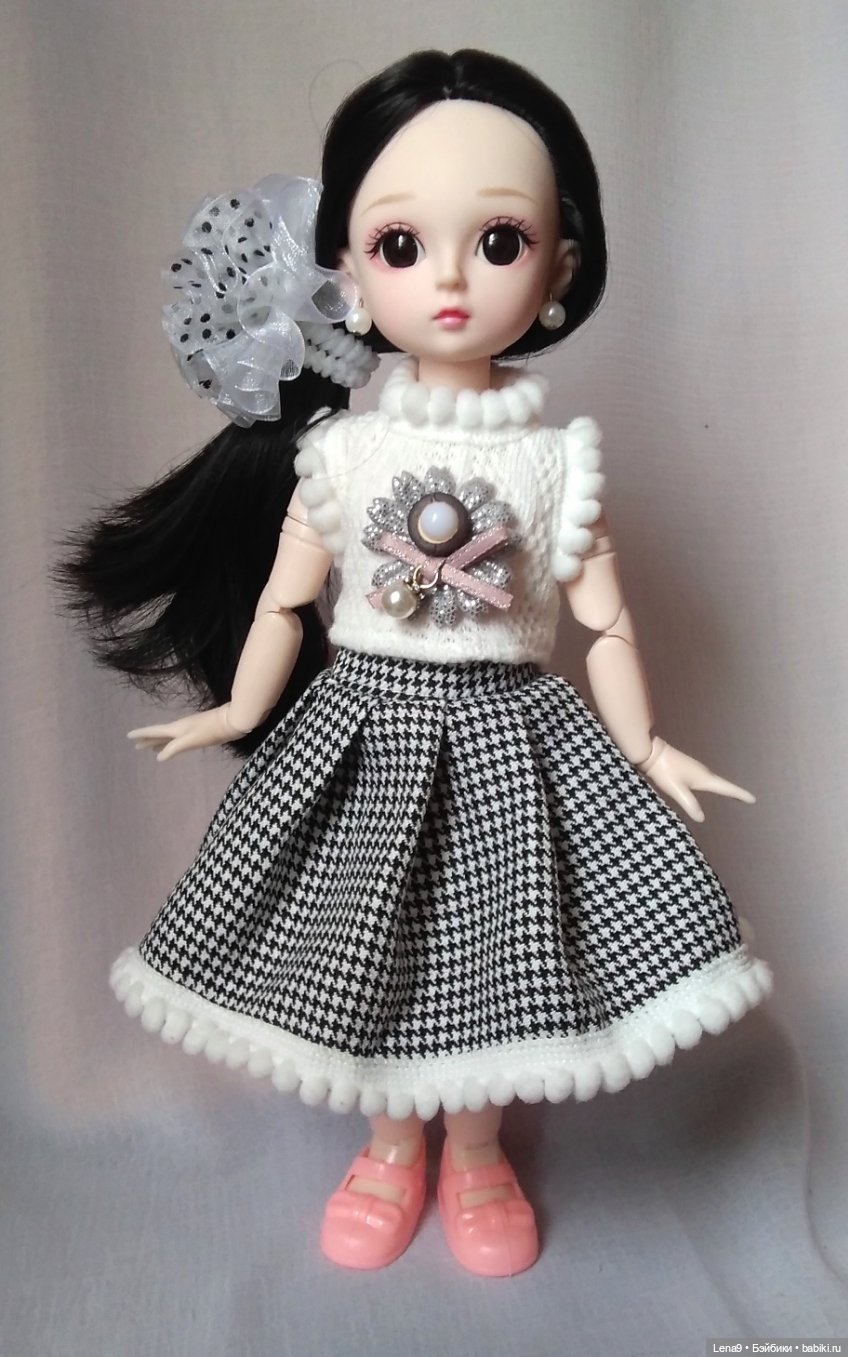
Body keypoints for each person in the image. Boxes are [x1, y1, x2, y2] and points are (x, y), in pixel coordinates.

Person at [59, 49, 772, 1278]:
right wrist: (236, 704)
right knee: (371, 943)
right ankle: (393, 1143)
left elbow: (605, 624)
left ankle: (477, 1148)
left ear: (559, 268)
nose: (448, 277)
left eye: (497, 241)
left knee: (494, 952)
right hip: (366, 737)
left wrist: (647, 746)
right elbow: (287, 600)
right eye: (401, 245)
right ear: (346, 267)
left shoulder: (558, 462)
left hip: (512, 740)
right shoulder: (342, 455)